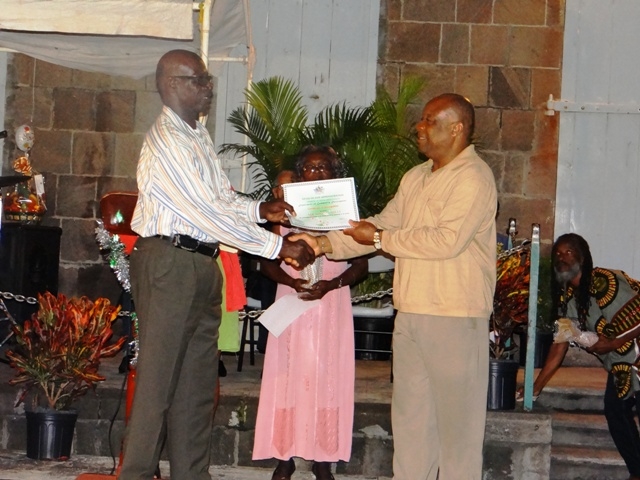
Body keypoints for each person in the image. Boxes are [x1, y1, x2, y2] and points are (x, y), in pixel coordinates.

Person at [118, 49, 314, 480]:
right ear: (171, 85)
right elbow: (203, 211)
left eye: (207, 80)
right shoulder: (168, 140)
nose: (208, 87)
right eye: (199, 80)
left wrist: (262, 209)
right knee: (158, 384)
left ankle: (192, 474)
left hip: (201, 264)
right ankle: (134, 474)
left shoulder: (195, 135)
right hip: (169, 262)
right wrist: (276, 248)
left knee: (196, 388)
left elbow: (220, 199)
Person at [290, 93, 497, 479]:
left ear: (457, 129)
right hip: (412, 316)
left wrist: (382, 239)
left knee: (458, 436)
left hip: (454, 317)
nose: (419, 127)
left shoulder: (474, 178)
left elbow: (445, 241)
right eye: (421, 119)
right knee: (412, 427)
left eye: (430, 121)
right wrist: (321, 244)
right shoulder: (416, 177)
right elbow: (378, 225)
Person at [252, 146, 368, 480]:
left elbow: (361, 265)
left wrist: (332, 286)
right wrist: (291, 280)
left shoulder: (348, 215)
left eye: (324, 168)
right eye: (310, 168)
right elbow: (265, 263)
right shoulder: (284, 215)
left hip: (332, 303)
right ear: (300, 175)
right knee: (287, 377)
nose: (316, 173)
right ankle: (285, 456)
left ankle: (323, 458)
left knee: (328, 378)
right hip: (293, 299)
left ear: (334, 173)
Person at [522, 233, 640, 480]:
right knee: (616, 412)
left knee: (618, 410)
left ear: (582, 257)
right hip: (622, 366)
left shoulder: (606, 280)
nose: (561, 258)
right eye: (557, 253)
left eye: (568, 252)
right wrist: (535, 387)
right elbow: (560, 345)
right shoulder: (571, 299)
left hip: (633, 359)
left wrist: (612, 343)